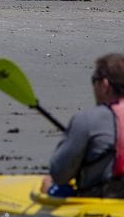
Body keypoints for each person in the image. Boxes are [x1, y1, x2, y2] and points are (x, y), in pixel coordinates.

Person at [42, 53, 124, 198]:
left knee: (48, 184)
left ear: (105, 85)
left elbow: (59, 174)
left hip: (102, 201)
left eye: (94, 81)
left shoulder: (87, 119)